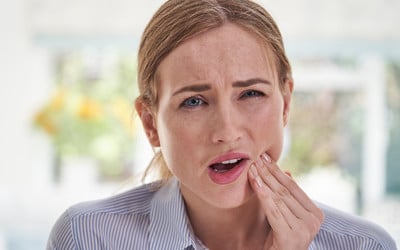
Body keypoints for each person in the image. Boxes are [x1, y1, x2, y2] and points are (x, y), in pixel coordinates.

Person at [47, 0, 397, 249]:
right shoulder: (87, 237)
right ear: (150, 124)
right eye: (194, 102)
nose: (228, 132)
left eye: (251, 94)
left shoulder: (365, 245)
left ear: (285, 102)